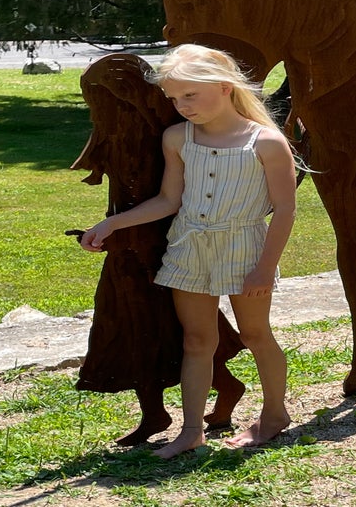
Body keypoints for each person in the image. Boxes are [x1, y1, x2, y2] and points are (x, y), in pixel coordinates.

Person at [80, 44, 297, 457]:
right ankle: (191, 430)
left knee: (255, 334)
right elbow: (169, 200)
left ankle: (274, 415)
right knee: (197, 340)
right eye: (174, 98)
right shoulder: (177, 138)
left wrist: (265, 268)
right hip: (189, 247)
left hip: (245, 249)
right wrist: (111, 224)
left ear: (224, 86)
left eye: (190, 95)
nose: (182, 106)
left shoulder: (266, 142)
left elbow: (285, 210)